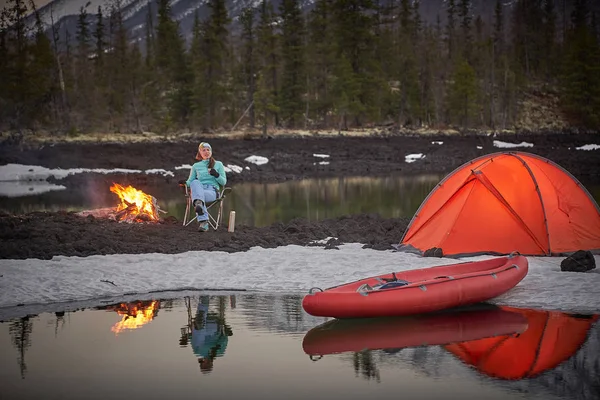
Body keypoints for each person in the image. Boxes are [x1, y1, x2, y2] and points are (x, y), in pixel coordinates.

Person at [185, 142, 227, 232]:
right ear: (200, 152)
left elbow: (223, 182)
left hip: (212, 191)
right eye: (203, 150)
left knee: (197, 195)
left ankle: (199, 207)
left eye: (208, 150)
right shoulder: (196, 166)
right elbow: (190, 182)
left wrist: (216, 175)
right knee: (195, 182)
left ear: (211, 151)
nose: (206, 152)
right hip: (199, 190)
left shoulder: (218, 164)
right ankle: (204, 222)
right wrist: (184, 183)